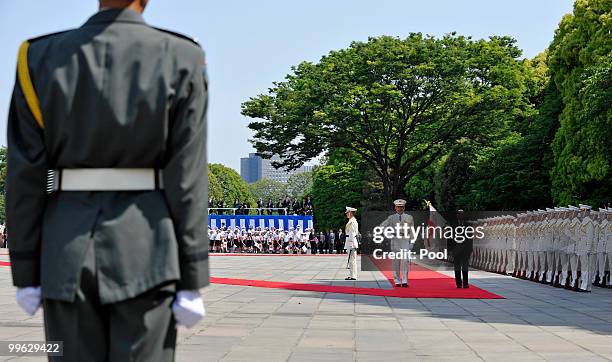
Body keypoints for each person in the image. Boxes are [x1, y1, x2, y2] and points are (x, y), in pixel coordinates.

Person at [6, 1, 209, 360]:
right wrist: (193, 275)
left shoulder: (36, 58)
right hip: (147, 250)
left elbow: (26, 175)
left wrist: (26, 267)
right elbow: (186, 177)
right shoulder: (182, 57)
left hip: (65, 250)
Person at [379, 199, 414, 287]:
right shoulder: (391, 218)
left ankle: (405, 281)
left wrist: (412, 242)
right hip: (395, 240)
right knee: (396, 262)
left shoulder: (409, 217)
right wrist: (387, 234)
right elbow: (382, 226)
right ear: (395, 207)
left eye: (401, 207)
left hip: (405, 239)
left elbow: (412, 230)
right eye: (398, 207)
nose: (400, 208)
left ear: (404, 207)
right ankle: (397, 280)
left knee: (405, 261)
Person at [450, 210, 473, 288]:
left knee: (465, 266)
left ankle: (465, 283)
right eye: (459, 214)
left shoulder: (468, 225)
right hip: (456, 249)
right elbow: (450, 238)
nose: (460, 215)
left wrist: (470, 249)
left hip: (465, 249)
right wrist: (450, 250)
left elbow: (470, 238)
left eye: (462, 214)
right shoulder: (453, 225)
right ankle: (458, 283)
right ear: (457, 215)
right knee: (457, 267)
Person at [344, 207, 359, 280]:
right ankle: (352, 274)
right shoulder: (351, 221)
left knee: (352, 260)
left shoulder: (352, 222)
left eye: (347, 213)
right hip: (350, 242)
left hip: (351, 242)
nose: (346, 214)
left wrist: (350, 243)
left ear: (350, 213)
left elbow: (352, 234)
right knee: (351, 260)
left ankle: (353, 276)